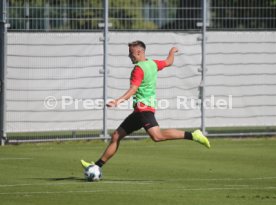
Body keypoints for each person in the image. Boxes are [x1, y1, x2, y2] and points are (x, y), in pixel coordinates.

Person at [81, 40, 210, 170]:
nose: (129, 56)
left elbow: (133, 90)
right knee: (116, 136)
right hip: (139, 112)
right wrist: (172, 52)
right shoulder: (153, 63)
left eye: (131, 53)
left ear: (139, 52)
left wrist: (117, 101)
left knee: (157, 136)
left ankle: (194, 135)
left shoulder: (138, 69)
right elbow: (169, 62)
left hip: (144, 109)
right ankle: (96, 166)